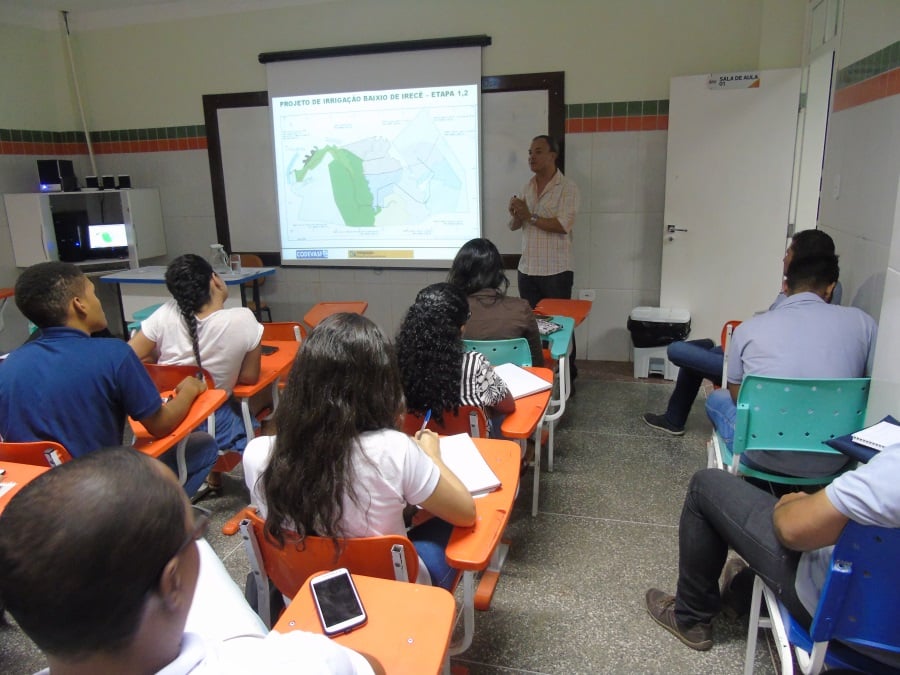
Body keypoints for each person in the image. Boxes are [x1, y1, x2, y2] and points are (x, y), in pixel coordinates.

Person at [0, 447, 382, 674]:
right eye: (196, 534)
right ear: (171, 583)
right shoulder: (298, 662)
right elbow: (370, 667)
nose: (200, 543)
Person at [243, 312, 476, 591]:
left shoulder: (257, 453)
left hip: (304, 594)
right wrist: (432, 456)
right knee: (449, 525)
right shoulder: (394, 450)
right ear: (381, 386)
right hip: (393, 595)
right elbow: (466, 512)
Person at [644, 450, 900, 670]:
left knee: (705, 484)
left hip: (835, 616)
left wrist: (793, 503)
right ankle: (740, 591)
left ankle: (690, 618)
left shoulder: (891, 471)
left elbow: (791, 531)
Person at [0, 261, 216, 497]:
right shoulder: (113, 354)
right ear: (79, 304)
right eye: (93, 294)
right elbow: (161, 425)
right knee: (202, 446)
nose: (99, 302)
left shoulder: (9, 365)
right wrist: (189, 390)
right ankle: (144, 524)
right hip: (99, 495)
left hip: (31, 497)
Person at [643, 229, 844, 437]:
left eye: (788, 252)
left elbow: (740, 388)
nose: (784, 258)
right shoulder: (828, 296)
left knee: (678, 351)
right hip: (761, 361)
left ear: (802, 259)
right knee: (706, 349)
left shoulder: (808, 295)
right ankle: (674, 418)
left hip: (759, 373)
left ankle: (674, 418)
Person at [706, 253, 876, 479]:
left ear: (785, 286)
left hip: (761, 455)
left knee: (718, 399)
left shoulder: (749, 329)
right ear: (830, 288)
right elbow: (873, 386)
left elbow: (739, 397)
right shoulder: (865, 324)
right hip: (837, 457)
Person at [129, 253, 264, 495]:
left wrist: (158, 368)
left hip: (167, 413)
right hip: (216, 418)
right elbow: (250, 377)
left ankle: (214, 478)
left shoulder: (165, 313)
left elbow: (128, 358)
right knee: (265, 400)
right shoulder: (243, 318)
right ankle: (264, 481)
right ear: (215, 280)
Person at [396, 282, 515, 436]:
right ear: (460, 328)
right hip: (472, 452)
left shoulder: (396, 364)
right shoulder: (475, 365)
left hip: (416, 450)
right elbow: (508, 406)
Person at [508, 134, 580, 378]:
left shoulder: (567, 187)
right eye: (530, 152)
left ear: (553, 155)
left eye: (538, 152)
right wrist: (517, 214)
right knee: (532, 327)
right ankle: (538, 374)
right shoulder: (526, 187)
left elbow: (563, 225)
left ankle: (568, 375)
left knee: (561, 327)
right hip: (527, 269)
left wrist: (529, 216)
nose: (531, 157)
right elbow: (514, 226)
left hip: (556, 271)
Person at [447, 237, 544, 366]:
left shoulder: (449, 310)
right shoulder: (521, 308)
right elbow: (537, 363)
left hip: (465, 384)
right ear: (498, 272)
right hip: (514, 384)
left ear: (460, 272)